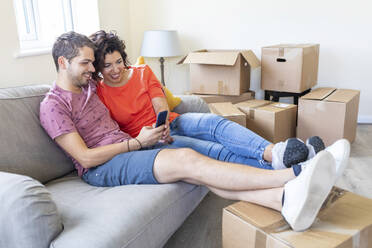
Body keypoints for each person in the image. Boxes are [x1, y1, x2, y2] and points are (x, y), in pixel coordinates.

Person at [40, 31, 350, 232]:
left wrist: (146, 130)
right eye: (87, 63)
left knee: (200, 169)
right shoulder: (53, 105)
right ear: (62, 62)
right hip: (101, 167)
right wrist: (136, 143)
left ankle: (283, 199)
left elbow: (127, 77)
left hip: (135, 144)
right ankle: (294, 174)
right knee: (188, 159)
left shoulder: (90, 85)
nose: (94, 70)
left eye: (95, 64)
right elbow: (84, 157)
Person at [89, 30, 322, 171]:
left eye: (118, 61)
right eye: (107, 65)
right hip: (148, 141)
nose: (115, 69)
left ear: (123, 57)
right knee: (213, 151)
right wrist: (151, 136)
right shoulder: (98, 92)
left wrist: (164, 124)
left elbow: (159, 101)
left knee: (215, 124)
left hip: (171, 123)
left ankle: (278, 153)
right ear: (98, 67)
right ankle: (296, 168)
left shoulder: (141, 71)